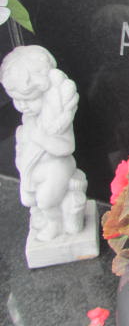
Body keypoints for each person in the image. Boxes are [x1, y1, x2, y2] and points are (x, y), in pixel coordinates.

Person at [0, 45, 87, 241]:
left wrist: (41, 138)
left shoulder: (55, 120)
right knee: (30, 199)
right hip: (33, 169)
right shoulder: (29, 120)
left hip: (57, 167)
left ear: (44, 91)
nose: (23, 106)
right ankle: (52, 217)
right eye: (17, 100)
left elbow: (66, 147)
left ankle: (55, 223)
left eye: (29, 99)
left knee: (46, 200)